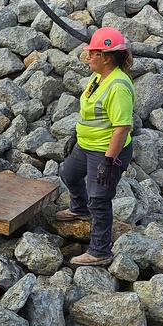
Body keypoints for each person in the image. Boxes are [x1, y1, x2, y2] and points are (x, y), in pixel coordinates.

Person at [57, 26, 135, 266]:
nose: (88, 56)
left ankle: (100, 251)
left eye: (93, 53)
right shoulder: (98, 77)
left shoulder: (118, 86)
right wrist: (75, 134)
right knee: (68, 174)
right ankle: (79, 209)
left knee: (99, 199)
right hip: (86, 145)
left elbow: (122, 127)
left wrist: (108, 161)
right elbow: (88, 110)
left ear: (107, 57)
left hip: (105, 151)